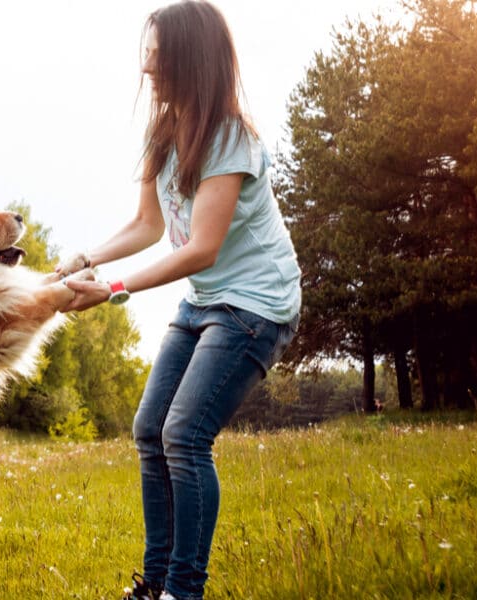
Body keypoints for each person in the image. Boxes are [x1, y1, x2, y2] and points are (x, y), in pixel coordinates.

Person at [53, 2, 301, 599]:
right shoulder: (162, 132)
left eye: (158, 57)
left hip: (256, 303)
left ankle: (182, 591)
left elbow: (201, 250)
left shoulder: (232, 139)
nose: (146, 69)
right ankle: (156, 583)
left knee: (185, 435)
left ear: (192, 60)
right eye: (147, 55)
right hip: (206, 302)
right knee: (149, 429)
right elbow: (146, 224)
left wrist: (112, 290)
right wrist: (87, 259)